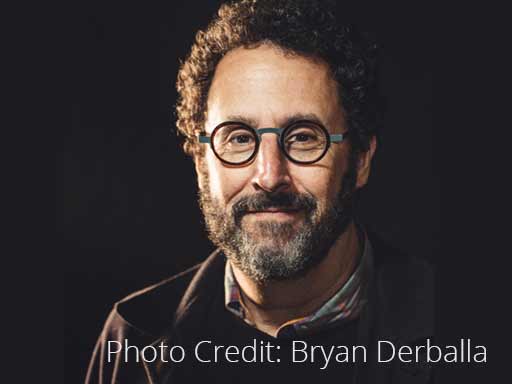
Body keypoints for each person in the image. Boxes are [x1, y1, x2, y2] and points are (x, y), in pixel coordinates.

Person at [85, 0, 434, 383]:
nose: (269, 176)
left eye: (303, 137)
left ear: (361, 159)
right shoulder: (132, 338)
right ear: (202, 163)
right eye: (238, 138)